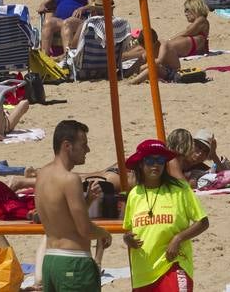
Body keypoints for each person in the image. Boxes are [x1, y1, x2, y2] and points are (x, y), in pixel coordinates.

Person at [121, 139, 210, 292]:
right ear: (141, 164)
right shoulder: (135, 194)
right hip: (143, 270)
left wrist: (178, 238)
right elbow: (129, 229)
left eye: (160, 160)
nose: (155, 165)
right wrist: (127, 238)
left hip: (174, 263)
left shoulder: (180, 189)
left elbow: (203, 222)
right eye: (150, 160)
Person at [36, 119, 112, 292]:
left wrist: (87, 202)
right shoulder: (70, 179)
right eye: (83, 144)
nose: (87, 150)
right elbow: (84, 229)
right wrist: (104, 233)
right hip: (73, 262)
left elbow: (61, 217)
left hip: (50, 261)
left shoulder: (42, 175)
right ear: (67, 146)